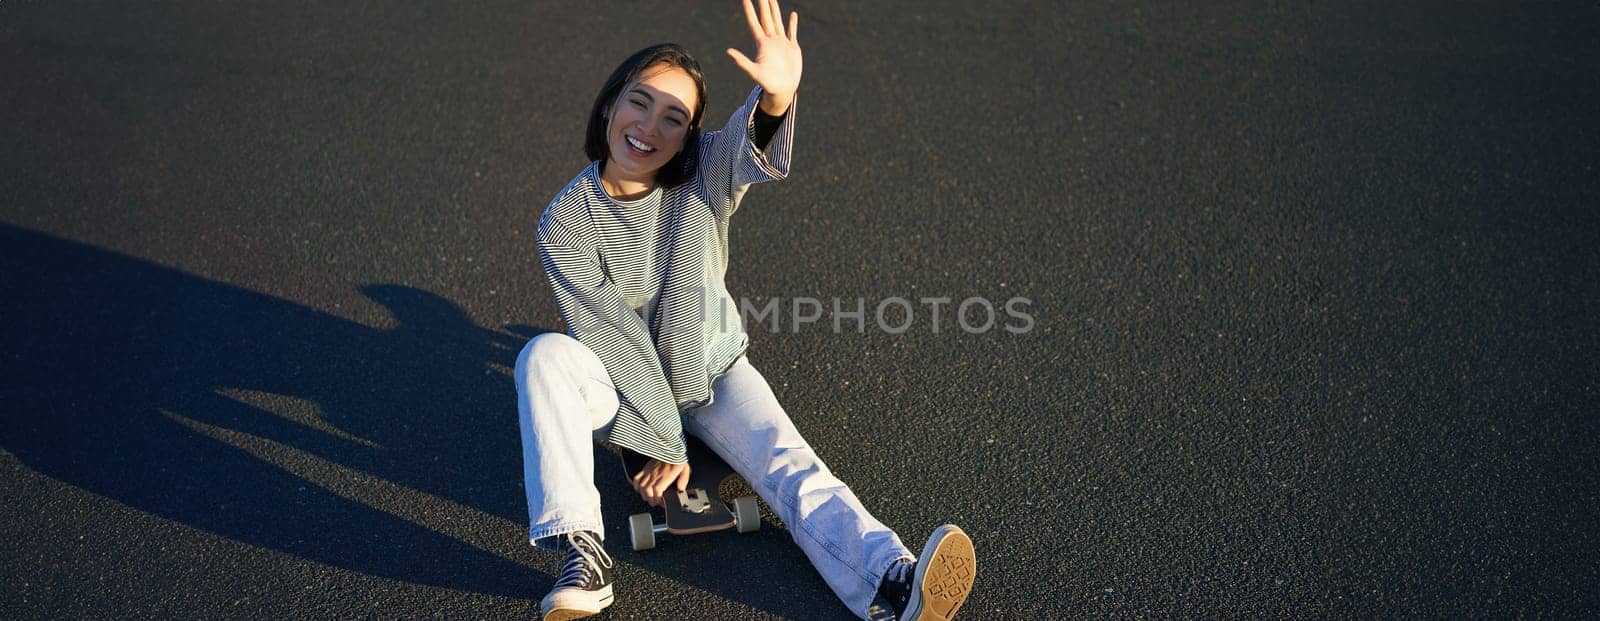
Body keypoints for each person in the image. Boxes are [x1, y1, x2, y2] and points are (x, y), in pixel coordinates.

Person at [514, 2, 976, 619]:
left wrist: (777, 99)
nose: (650, 126)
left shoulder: (704, 172)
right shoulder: (565, 221)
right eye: (641, 101)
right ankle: (581, 553)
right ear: (610, 105)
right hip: (622, 386)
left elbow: (741, 142)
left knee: (792, 465)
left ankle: (892, 583)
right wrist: (654, 443)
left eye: (674, 117)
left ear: (688, 137)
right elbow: (612, 332)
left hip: (715, 372)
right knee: (543, 356)